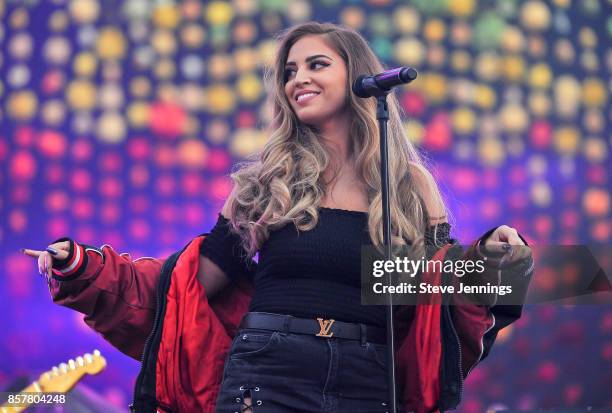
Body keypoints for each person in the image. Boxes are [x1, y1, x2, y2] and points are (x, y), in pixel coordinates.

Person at [22, 22, 533, 413]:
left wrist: (492, 258)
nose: (298, 80)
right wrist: (84, 268)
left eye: (316, 65)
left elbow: (429, 298)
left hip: (368, 378)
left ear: (359, 76)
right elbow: (188, 286)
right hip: (268, 370)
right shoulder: (270, 179)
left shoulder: (406, 185)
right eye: (290, 71)